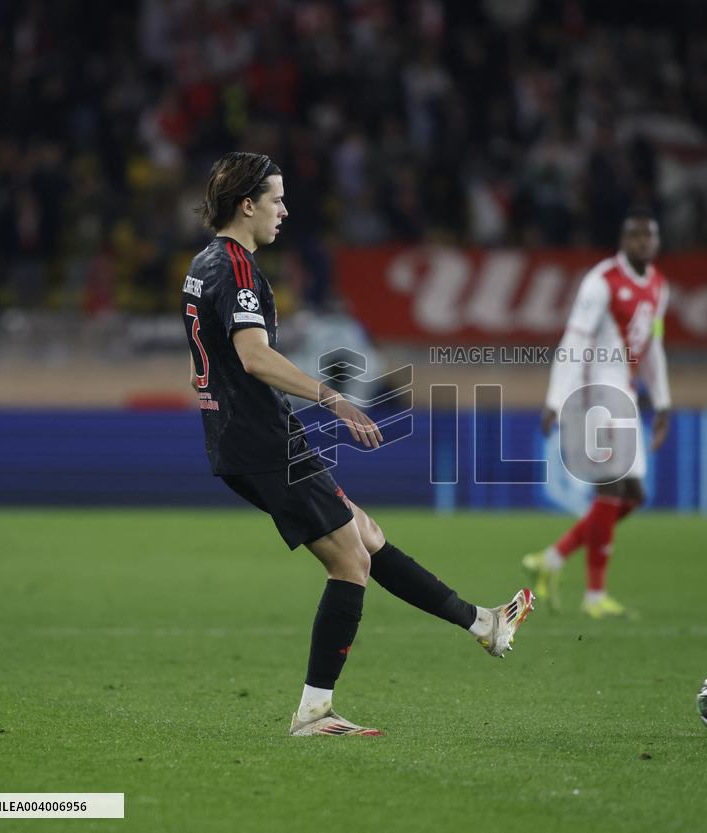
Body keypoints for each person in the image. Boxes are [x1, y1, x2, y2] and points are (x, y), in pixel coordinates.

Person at [181, 152, 533, 737]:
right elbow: (253, 355)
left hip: (244, 435)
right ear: (247, 205)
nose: (284, 209)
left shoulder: (203, 263)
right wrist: (334, 399)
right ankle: (313, 712)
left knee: (364, 534)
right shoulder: (237, 269)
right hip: (261, 439)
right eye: (276, 198)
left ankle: (484, 624)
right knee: (350, 563)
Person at [523, 210, 671, 618]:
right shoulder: (601, 282)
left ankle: (553, 558)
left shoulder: (658, 285)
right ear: (623, 240)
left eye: (649, 235)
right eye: (634, 235)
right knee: (612, 489)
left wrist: (663, 401)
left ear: (656, 242)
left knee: (634, 495)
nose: (642, 241)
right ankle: (594, 597)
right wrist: (556, 398)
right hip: (598, 397)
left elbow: (653, 347)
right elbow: (573, 342)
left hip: (626, 396)